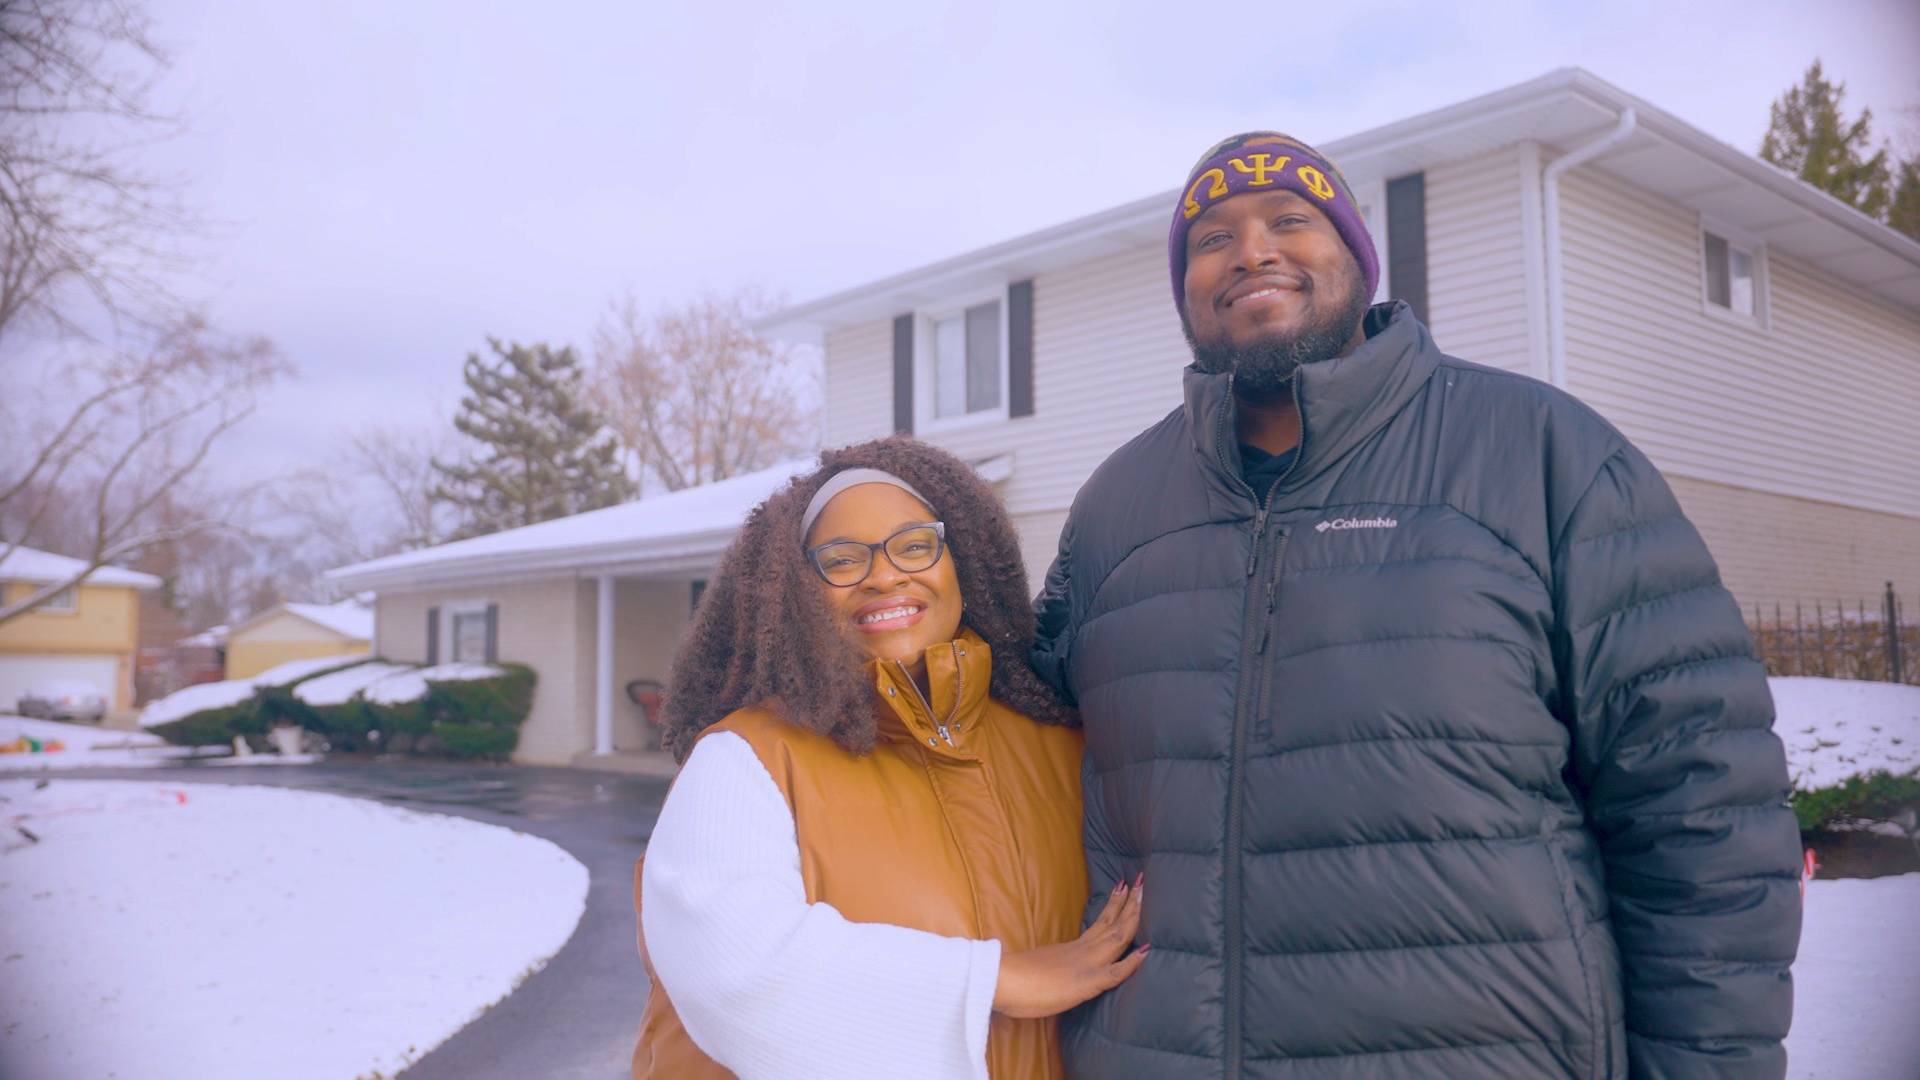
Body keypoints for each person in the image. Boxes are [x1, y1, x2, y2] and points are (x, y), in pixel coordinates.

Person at [1031, 132, 1803, 1079]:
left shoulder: (1542, 453)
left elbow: (1700, 802)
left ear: (1355, 256)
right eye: (1211, 237)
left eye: (1289, 220)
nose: (1252, 252)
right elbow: (1005, 728)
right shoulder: (1118, 504)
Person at [634, 435, 1147, 1080]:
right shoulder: (745, 760)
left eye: (914, 545)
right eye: (842, 559)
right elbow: (736, 967)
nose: (883, 574)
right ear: (796, 592)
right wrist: (994, 981)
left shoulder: (1065, 741)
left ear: (963, 560)